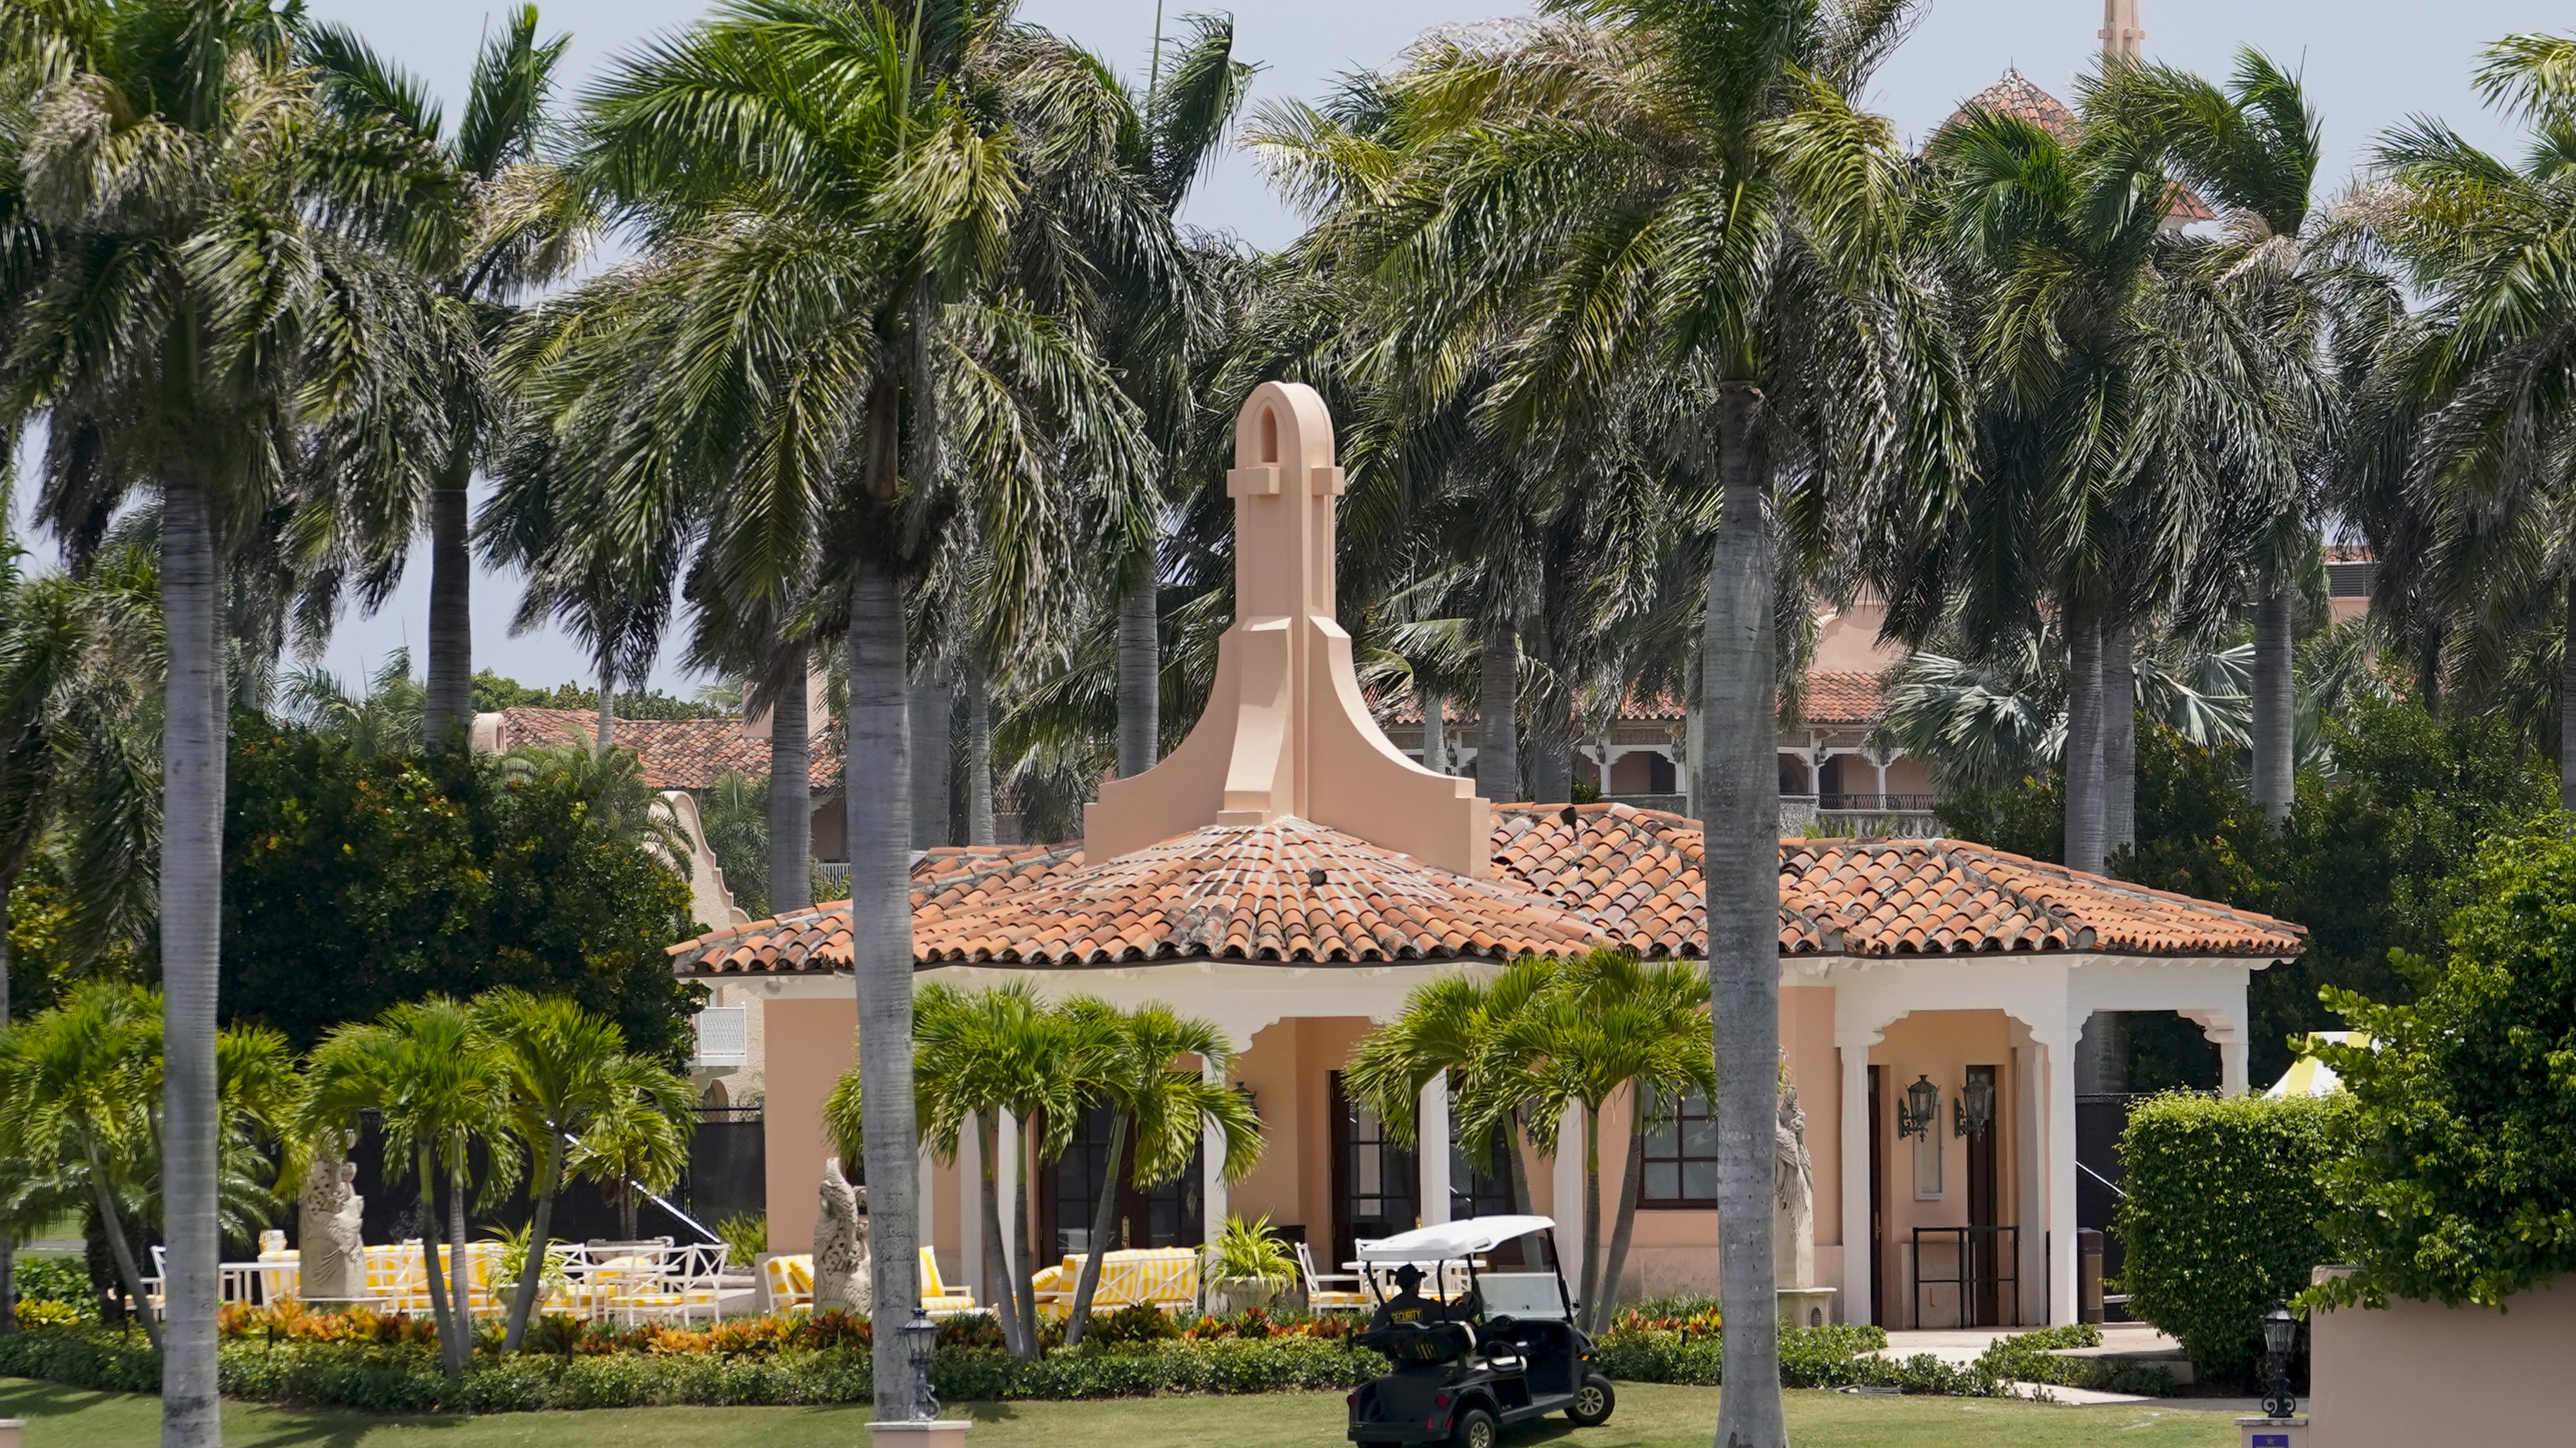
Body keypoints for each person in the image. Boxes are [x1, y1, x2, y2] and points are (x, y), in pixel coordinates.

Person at [1368, 1263, 1437, 1331]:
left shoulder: (1386, 1310)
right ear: (1416, 1284)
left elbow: (1373, 1332)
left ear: (1399, 1284)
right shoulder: (1431, 1307)